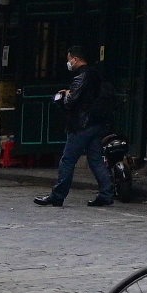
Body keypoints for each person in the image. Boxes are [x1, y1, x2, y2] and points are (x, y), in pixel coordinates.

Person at [37, 48, 114, 208]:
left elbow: (70, 102)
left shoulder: (81, 77)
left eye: (69, 59)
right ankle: (106, 194)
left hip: (81, 124)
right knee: (95, 160)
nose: (68, 63)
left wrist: (64, 96)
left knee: (68, 160)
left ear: (76, 59)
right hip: (96, 123)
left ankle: (57, 195)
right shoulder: (95, 75)